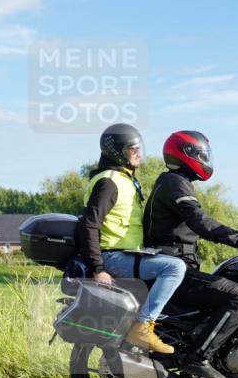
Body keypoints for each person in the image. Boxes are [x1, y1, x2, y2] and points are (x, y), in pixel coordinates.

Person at [144, 130, 238, 378]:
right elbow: (201, 222)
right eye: (203, 155)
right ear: (187, 154)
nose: (206, 160)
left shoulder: (174, 181)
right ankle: (198, 357)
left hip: (175, 266)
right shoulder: (174, 182)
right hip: (173, 269)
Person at [76, 123, 187, 354]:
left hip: (126, 254)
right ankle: (143, 326)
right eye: (132, 148)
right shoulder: (109, 182)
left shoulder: (124, 179)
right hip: (112, 257)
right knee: (175, 268)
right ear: (117, 152)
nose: (138, 153)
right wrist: (98, 268)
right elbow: (89, 224)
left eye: (139, 147)